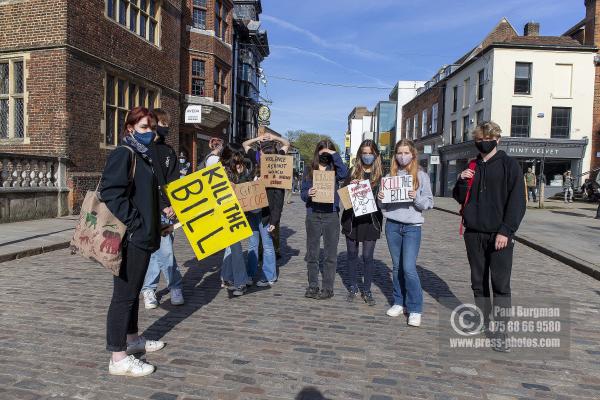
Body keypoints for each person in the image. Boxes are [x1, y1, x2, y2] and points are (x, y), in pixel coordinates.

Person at [100, 107, 165, 377]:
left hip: (144, 234)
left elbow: (144, 197)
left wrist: (158, 220)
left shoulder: (144, 155)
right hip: (131, 237)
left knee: (134, 291)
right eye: (144, 127)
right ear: (130, 128)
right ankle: (118, 357)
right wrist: (137, 223)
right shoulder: (124, 153)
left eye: (152, 127)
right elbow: (111, 193)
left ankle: (132, 339)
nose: (150, 132)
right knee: (123, 296)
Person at [453, 121, 526, 352]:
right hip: (474, 233)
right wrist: (462, 180)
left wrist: (506, 230)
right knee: (478, 282)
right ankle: (484, 320)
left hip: (499, 234)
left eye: (488, 139)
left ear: (497, 140)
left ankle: (501, 332)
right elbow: (460, 197)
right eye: (479, 139)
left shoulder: (509, 165)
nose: (483, 143)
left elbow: (517, 201)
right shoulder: (473, 165)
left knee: (500, 284)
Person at [377, 139, 433, 326]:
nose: (402, 156)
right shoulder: (390, 176)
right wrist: (381, 198)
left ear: (413, 154)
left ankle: (415, 308)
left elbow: (429, 203)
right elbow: (383, 205)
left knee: (408, 268)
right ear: (395, 155)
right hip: (392, 225)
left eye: (406, 153)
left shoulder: (421, 176)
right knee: (396, 267)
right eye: (399, 153)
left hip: (412, 227)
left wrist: (416, 197)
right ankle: (399, 301)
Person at [141, 109, 184, 309]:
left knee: (159, 251)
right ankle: (173, 285)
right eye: (163, 123)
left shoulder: (169, 151)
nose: (166, 127)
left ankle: (150, 288)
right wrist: (163, 205)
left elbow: (174, 180)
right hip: (150, 208)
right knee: (161, 251)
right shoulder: (143, 150)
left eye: (168, 124)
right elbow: (146, 183)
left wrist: (174, 204)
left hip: (168, 210)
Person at [301, 140, 349, 300]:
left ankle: (328, 288)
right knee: (312, 254)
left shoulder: (335, 169)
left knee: (330, 255)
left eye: (329, 152)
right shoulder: (309, 169)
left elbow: (345, 173)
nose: (325, 155)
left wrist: (335, 155)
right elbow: (303, 194)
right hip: (313, 214)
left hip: (331, 215)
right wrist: (309, 193)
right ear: (318, 152)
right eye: (323, 152)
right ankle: (313, 286)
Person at [242, 133, 290, 285]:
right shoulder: (256, 161)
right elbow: (245, 145)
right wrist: (258, 139)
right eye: (260, 153)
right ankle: (250, 274)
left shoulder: (277, 169)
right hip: (253, 213)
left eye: (263, 153)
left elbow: (279, 199)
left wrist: (274, 220)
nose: (260, 155)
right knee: (252, 244)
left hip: (266, 215)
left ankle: (269, 276)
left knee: (267, 244)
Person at [341, 140, 384, 306]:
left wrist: (381, 197)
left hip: (371, 221)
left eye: (370, 153)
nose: (367, 156)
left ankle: (367, 289)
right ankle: (352, 286)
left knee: (367, 256)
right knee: (352, 255)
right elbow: (343, 198)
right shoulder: (353, 171)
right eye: (364, 153)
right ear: (360, 154)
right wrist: (349, 187)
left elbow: (384, 202)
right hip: (352, 220)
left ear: (375, 154)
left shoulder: (381, 175)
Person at [220, 143, 253, 296]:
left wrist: (242, 177)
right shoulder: (220, 171)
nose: (239, 161)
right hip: (225, 213)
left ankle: (230, 278)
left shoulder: (240, 169)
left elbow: (244, 189)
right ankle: (238, 281)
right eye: (237, 157)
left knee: (233, 247)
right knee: (235, 248)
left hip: (236, 213)